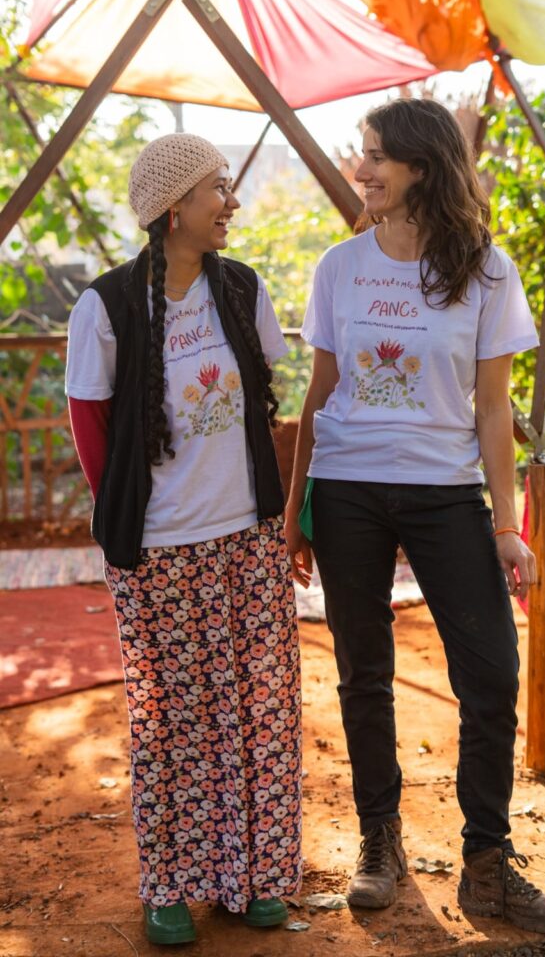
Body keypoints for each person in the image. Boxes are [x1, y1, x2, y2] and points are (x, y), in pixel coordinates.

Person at [285, 98, 545, 935]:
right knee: (363, 673)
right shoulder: (339, 266)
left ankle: (487, 865)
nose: (361, 169)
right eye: (362, 154)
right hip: (345, 487)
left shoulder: (487, 271)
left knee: (489, 675)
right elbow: (318, 395)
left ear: (423, 165)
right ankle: (381, 845)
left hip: (445, 490)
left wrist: (505, 523)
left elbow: (492, 410)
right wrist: (295, 511)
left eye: (377, 155)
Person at [65, 134, 301, 945]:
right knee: (172, 719)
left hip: (245, 535)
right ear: (174, 210)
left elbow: (268, 412)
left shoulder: (241, 289)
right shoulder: (106, 306)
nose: (229, 202)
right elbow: (90, 423)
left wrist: (283, 522)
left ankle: (252, 875)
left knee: (258, 712)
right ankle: (169, 882)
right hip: (160, 546)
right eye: (216, 189)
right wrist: (125, 516)